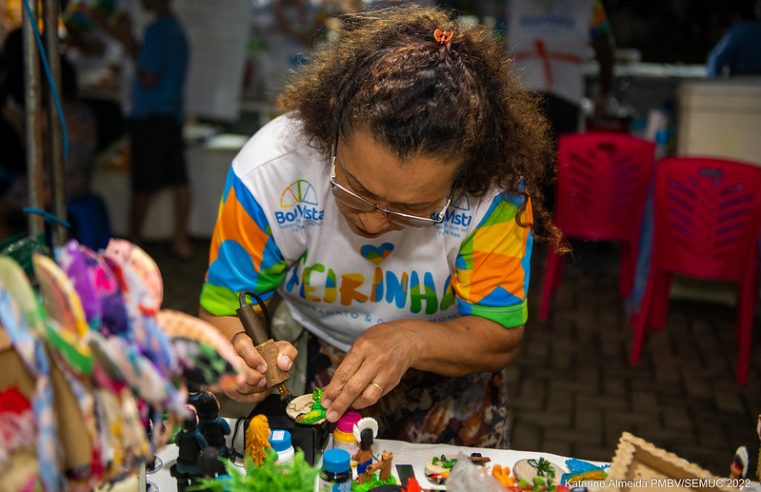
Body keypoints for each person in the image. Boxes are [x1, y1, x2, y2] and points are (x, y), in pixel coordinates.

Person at [200, 5, 559, 448]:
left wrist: (411, 338)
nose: (372, 222)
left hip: (451, 376)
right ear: (333, 121)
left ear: (467, 173)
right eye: (354, 188)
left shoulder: (495, 193)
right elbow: (222, 306)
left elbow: (498, 335)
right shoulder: (269, 173)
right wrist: (236, 354)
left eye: (410, 209)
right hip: (322, 364)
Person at [111, 0, 192, 258]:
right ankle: (181, 241)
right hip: (170, 114)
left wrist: (127, 41)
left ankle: (134, 246)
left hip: (150, 117)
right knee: (179, 179)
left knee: (143, 185)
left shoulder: (157, 30)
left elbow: (148, 76)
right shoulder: (177, 29)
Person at [506, 0, 615, 138]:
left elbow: (497, 37)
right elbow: (604, 45)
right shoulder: (590, 4)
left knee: (525, 150)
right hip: (563, 92)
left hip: (528, 89)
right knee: (560, 152)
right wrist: (604, 93)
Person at [707, 0, 761, 78]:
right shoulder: (741, 31)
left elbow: (717, 59)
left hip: (741, 84)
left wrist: (714, 85)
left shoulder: (740, 31)